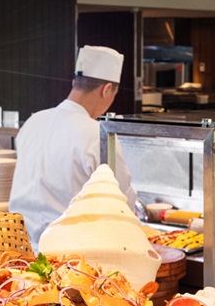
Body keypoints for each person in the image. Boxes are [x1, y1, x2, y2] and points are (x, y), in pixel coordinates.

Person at [8, 45, 142, 245]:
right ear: (107, 90)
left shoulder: (33, 122)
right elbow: (121, 202)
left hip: (21, 246)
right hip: (70, 252)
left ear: (74, 83)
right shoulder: (97, 134)